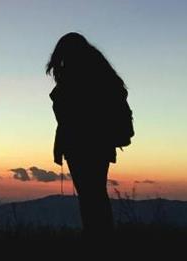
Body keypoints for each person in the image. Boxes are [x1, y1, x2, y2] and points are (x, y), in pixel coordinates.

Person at [46, 32, 132, 236]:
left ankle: (97, 236)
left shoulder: (75, 76)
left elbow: (68, 113)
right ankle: (101, 234)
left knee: (89, 195)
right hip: (100, 143)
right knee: (95, 193)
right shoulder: (100, 73)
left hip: (81, 144)